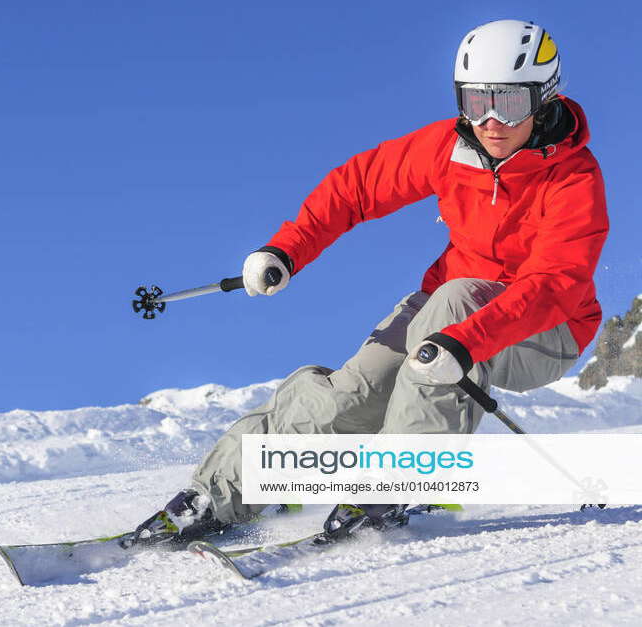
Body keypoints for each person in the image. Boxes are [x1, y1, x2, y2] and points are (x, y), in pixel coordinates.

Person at [130, 19, 608, 547]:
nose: (491, 121)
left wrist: (467, 340)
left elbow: (557, 283)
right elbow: (355, 187)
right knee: (350, 396)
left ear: (544, 99)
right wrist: (287, 249)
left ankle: (398, 479)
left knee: (452, 301)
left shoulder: (573, 178)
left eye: (510, 104)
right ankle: (217, 495)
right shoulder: (450, 149)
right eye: (476, 103)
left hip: (545, 330)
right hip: (446, 319)